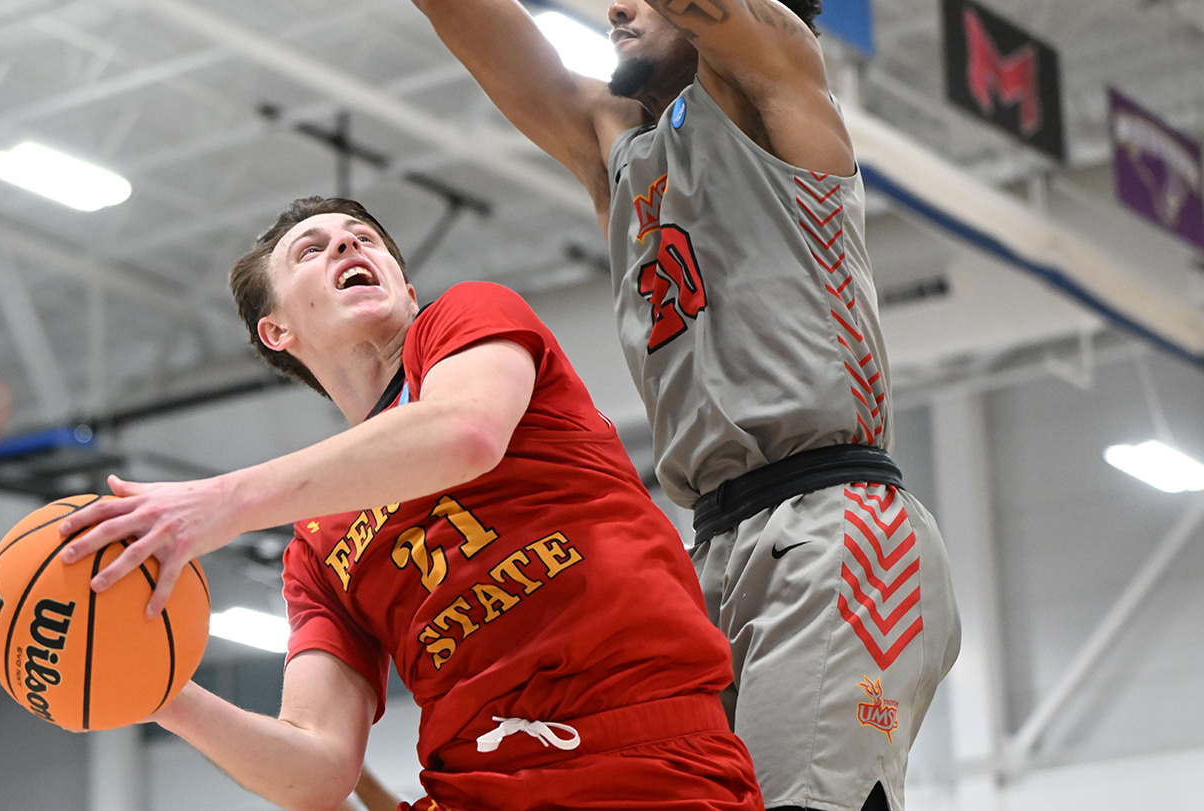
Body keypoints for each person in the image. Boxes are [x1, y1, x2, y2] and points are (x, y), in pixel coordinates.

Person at [400, 2, 963, 810]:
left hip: (833, 520)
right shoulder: (615, 144)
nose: (615, 8)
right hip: (706, 552)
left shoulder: (778, 74)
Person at [60, 197, 761, 811]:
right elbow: (317, 771)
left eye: (364, 238)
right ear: (277, 332)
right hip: (476, 786)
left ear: (408, 285)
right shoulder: (316, 542)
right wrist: (158, 693)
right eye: (312, 249)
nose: (346, 244)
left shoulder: (464, 319)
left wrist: (223, 501)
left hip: (646, 759)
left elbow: (465, 433)